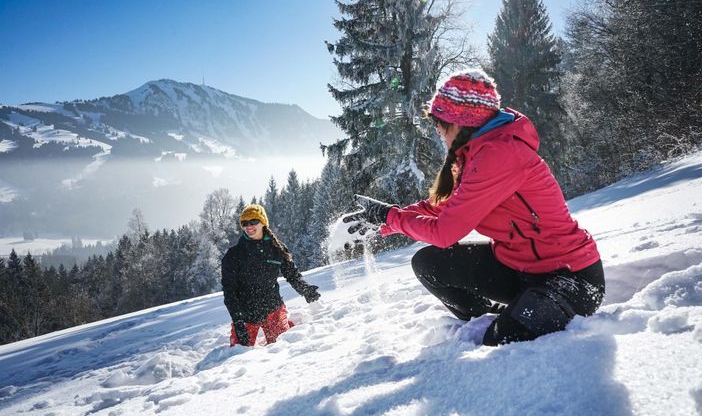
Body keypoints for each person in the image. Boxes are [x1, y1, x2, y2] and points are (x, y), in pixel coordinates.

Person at [344, 68, 605, 346]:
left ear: (459, 122)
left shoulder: (500, 154)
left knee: (502, 342)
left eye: (439, 123)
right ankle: (487, 318)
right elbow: (445, 207)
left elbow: (446, 232)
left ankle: (509, 322)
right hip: (519, 270)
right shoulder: (475, 154)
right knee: (429, 263)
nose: (437, 130)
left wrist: (392, 217)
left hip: (570, 278)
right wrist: (386, 221)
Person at [221, 204, 320, 347]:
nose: (249, 226)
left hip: (272, 308)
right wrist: (238, 321)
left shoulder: (277, 248)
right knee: (239, 351)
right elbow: (229, 291)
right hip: (245, 314)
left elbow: (292, 274)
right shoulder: (234, 254)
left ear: (263, 223)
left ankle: (287, 325)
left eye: (253, 221)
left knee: (282, 345)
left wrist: (305, 289)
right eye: (244, 223)